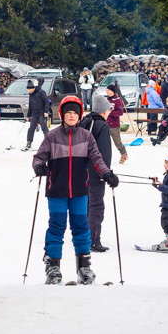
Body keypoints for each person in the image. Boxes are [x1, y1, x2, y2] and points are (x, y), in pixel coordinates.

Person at [33, 96, 116, 285]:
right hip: (57, 191)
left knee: (81, 228)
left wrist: (107, 173)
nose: (72, 116)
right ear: (62, 114)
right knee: (56, 227)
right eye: (69, 112)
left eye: (75, 113)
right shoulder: (52, 136)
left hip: (79, 191)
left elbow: (97, 158)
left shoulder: (86, 137)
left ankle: (84, 268)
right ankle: (53, 268)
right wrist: (39, 166)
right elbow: (38, 157)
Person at [79, 93, 114, 252]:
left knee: (85, 204)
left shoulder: (84, 122)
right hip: (96, 173)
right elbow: (104, 153)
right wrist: (106, 173)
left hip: (80, 172)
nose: (109, 112)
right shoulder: (102, 126)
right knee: (96, 206)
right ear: (103, 110)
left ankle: (83, 236)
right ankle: (94, 240)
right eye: (108, 110)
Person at [23, 78, 49, 151]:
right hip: (34, 113)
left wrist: (46, 112)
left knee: (44, 127)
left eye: (29, 89)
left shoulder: (41, 92)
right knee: (31, 128)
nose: (29, 91)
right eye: (28, 89)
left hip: (42, 112)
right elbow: (30, 106)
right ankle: (29, 142)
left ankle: (48, 142)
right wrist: (28, 116)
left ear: (33, 88)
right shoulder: (31, 95)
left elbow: (46, 102)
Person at [105, 85, 128, 164]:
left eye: (108, 90)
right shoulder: (106, 100)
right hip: (106, 124)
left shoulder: (117, 100)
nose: (106, 91)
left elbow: (120, 112)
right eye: (106, 90)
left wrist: (111, 113)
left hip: (114, 124)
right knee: (105, 142)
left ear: (112, 91)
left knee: (117, 142)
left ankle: (123, 154)